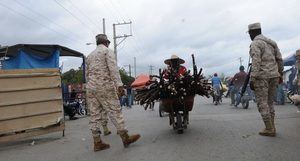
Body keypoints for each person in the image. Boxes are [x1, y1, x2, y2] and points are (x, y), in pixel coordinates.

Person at [85, 34, 140, 151]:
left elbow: (87, 74)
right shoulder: (107, 52)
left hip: (91, 88)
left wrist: (90, 85)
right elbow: (113, 70)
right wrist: (119, 85)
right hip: (104, 86)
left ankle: (97, 142)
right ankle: (125, 138)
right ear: (106, 42)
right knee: (115, 111)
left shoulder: (89, 56)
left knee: (94, 114)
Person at [248, 23, 283, 137]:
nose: (249, 35)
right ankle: (272, 127)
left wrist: (252, 78)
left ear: (252, 32)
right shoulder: (271, 43)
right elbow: (279, 59)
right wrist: (280, 74)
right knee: (270, 103)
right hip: (274, 76)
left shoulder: (255, 43)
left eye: (249, 33)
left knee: (262, 103)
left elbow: (256, 61)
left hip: (262, 77)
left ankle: (269, 128)